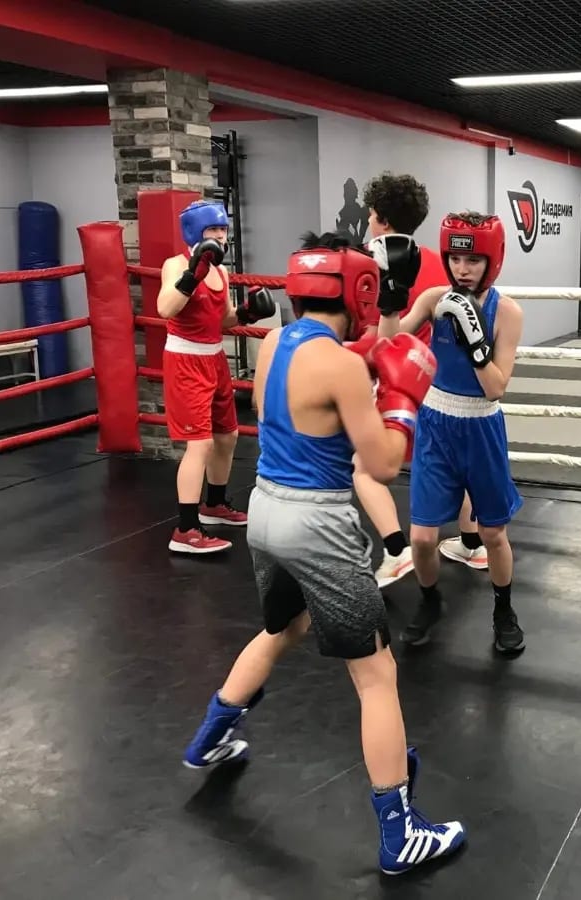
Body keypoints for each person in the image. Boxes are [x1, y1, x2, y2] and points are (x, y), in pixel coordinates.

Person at [182, 231, 466, 876]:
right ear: (359, 289)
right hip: (318, 526)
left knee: (283, 627)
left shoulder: (277, 342)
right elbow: (383, 464)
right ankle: (400, 833)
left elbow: (313, 391)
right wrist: (402, 400)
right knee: (377, 675)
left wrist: (376, 352)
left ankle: (211, 737)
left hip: (265, 511)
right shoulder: (339, 367)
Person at [376, 212, 526, 654]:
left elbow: (496, 387)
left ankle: (503, 610)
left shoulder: (507, 312)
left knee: (493, 534)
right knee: (423, 538)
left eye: (473, 260)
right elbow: (388, 347)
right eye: (456, 259)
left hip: (482, 427)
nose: (463, 269)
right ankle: (430, 601)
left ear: (492, 261)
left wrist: (474, 342)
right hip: (436, 423)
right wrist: (390, 303)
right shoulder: (434, 298)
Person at [356, 172, 485, 587]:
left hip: (397, 382)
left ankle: (397, 551)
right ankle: (472, 543)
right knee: (457, 465)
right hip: (439, 383)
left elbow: (379, 337)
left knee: (364, 468)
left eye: (372, 215)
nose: (369, 222)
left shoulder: (369, 261)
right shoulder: (438, 262)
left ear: (383, 220)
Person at [157, 200, 277, 554]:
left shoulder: (221, 272)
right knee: (200, 444)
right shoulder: (175, 265)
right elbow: (165, 308)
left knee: (227, 435)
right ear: (195, 232)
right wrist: (192, 275)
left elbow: (223, 320)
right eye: (213, 230)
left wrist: (247, 313)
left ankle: (215, 504)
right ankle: (186, 529)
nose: (221, 236)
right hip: (185, 360)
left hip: (215, 358)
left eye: (223, 230)